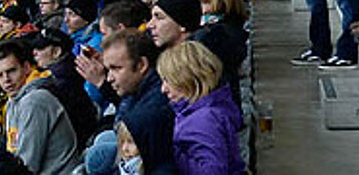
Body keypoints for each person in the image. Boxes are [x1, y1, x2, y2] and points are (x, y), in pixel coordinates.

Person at [79, 29, 176, 175]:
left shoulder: (153, 110)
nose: (110, 78)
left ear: (141, 65)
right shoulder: (137, 93)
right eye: (108, 69)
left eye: (116, 68)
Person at [0, 40, 80, 175]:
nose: (6, 79)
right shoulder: (11, 102)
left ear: (26, 68)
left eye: (11, 71)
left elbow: (27, 164)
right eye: (0, 75)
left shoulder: (35, 101)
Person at [157, 41, 246, 175]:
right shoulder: (215, 107)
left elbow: (212, 171)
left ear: (187, 80)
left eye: (168, 80)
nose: (163, 89)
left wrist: (172, 153)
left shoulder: (203, 121)